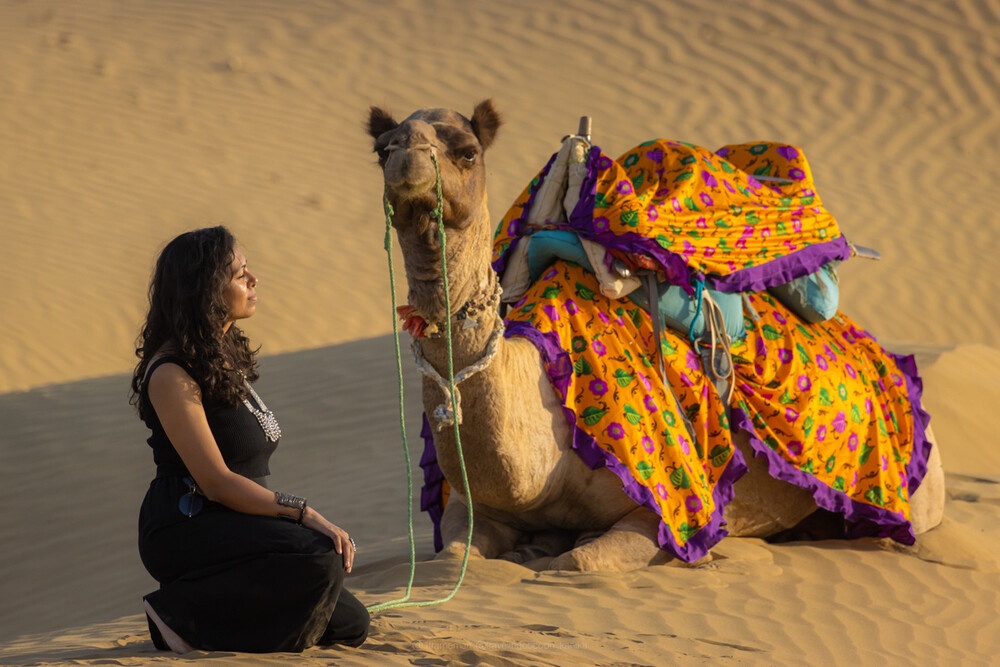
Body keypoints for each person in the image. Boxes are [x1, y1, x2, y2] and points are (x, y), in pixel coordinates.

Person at [130, 226, 370, 653]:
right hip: (187, 522)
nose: (254, 280)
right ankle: (178, 613)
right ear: (204, 289)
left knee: (351, 622)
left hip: (236, 519)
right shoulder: (170, 373)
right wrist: (302, 512)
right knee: (318, 557)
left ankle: (212, 612)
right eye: (240, 275)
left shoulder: (222, 356)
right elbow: (217, 482)